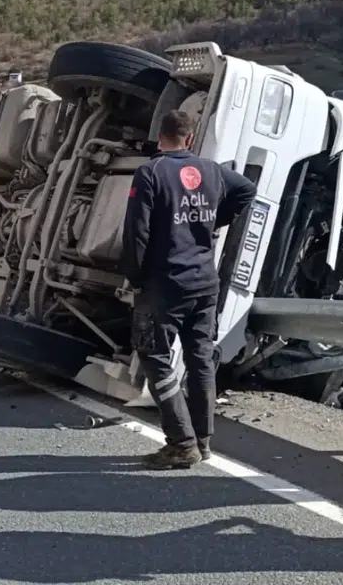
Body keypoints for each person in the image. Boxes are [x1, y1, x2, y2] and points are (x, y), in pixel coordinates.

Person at [122, 110, 257, 470]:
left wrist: (134, 277)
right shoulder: (211, 171)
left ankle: (182, 442)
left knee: (153, 355)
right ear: (190, 139)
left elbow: (138, 232)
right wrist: (215, 220)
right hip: (204, 282)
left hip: (165, 283)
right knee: (200, 359)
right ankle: (204, 440)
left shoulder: (150, 173)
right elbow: (246, 190)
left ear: (159, 137)